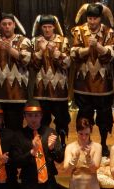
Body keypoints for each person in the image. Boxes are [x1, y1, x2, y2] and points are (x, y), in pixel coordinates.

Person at [70, 3, 114, 157]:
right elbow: (73, 53)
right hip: (83, 85)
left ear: (100, 18)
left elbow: (112, 55)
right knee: (84, 115)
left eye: (95, 18)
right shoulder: (78, 31)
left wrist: (98, 46)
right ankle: (85, 142)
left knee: (104, 116)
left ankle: (103, 143)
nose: (91, 21)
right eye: (89, 18)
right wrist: (87, 49)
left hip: (103, 85)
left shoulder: (109, 32)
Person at [0, 13, 31, 131]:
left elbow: (26, 59)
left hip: (17, 94)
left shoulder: (23, 40)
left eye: (9, 24)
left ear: (14, 25)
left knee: (15, 127)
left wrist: (10, 49)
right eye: (4, 24)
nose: (7, 27)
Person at [31, 15, 71, 143]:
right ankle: (44, 144)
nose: (47, 29)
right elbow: (33, 65)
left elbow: (67, 64)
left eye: (49, 27)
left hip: (59, 90)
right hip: (41, 90)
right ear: (41, 28)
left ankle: (62, 143)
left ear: (54, 27)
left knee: (62, 119)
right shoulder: (35, 42)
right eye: (44, 27)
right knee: (43, 120)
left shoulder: (63, 41)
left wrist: (55, 52)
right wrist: (41, 51)